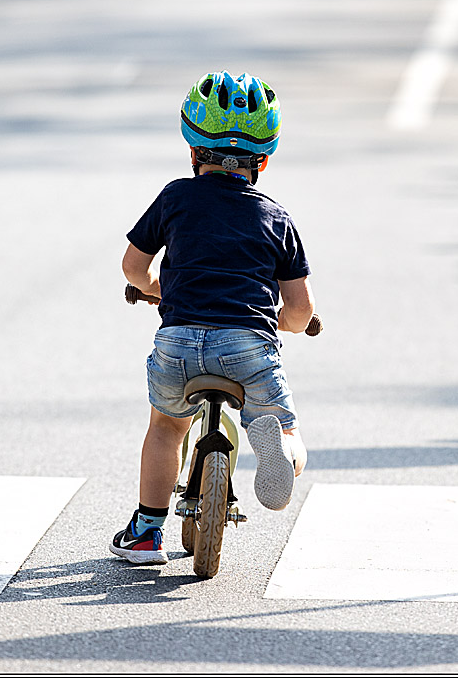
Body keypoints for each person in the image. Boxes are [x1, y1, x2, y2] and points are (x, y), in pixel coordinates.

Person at [110, 70, 316, 565]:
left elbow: (133, 267)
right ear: (263, 160)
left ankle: (145, 533)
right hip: (247, 346)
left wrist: (154, 289)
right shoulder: (275, 218)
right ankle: (280, 450)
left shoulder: (176, 197)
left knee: (165, 428)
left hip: (178, 344)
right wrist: (290, 323)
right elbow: (299, 309)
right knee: (283, 424)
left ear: (192, 151)